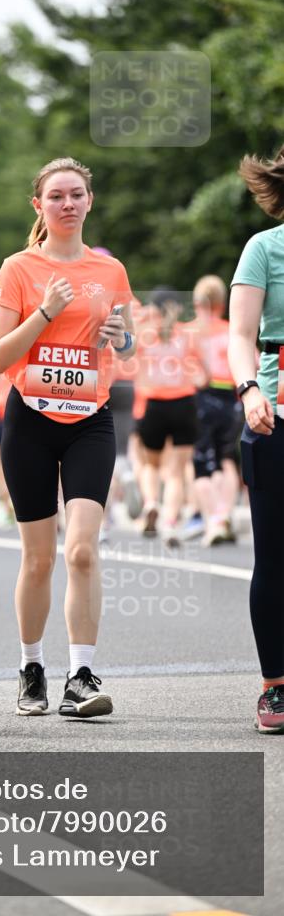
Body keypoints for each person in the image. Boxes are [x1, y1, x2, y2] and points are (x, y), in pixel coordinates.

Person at [0, 157, 135, 719]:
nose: (68, 204)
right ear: (39, 206)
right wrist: (46, 312)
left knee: (81, 551)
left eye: (76, 195)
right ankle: (31, 667)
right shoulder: (19, 269)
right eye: (56, 196)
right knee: (38, 558)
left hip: (90, 420)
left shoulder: (111, 271)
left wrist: (121, 340)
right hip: (30, 419)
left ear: (89, 202)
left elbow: (128, 349)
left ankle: (80, 675)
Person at [228, 144, 284, 734]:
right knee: (275, 554)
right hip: (276, 414)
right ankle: (275, 685)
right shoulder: (265, 248)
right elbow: (240, 333)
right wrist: (249, 390)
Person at [134, 287, 207, 546]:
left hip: (153, 403)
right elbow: (203, 375)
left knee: (151, 465)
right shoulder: (187, 336)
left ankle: (151, 502)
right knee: (176, 472)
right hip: (183, 403)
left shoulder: (145, 336)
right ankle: (170, 522)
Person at [190, 275, 243, 546]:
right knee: (227, 459)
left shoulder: (190, 332)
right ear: (222, 303)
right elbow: (252, 361)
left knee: (202, 464)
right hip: (233, 399)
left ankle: (214, 521)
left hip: (203, 398)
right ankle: (226, 514)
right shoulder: (232, 330)